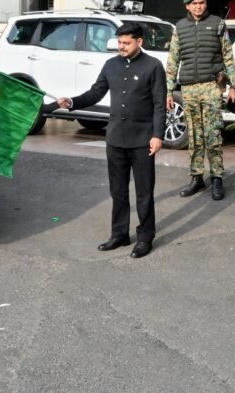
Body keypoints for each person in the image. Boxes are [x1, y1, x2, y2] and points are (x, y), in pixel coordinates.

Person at [52, 23, 166, 259]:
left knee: (144, 192)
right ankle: (119, 234)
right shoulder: (110, 65)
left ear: (139, 42)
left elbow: (158, 104)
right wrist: (71, 102)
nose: (121, 47)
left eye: (126, 43)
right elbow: (95, 93)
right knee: (118, 190)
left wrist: (157, 135)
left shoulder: (153, 66)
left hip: (142, 140)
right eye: (119, 43)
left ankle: (145, 237)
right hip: (115, 138)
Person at [165, 0, 235, 201]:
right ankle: (196, 177)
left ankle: (217, 178)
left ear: (206, 4)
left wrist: (232, 85)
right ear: (187, 6)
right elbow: (173, 60)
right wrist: (169, 91)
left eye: (202, 3)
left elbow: (228, 54)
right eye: (194, 3)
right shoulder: (180, 27)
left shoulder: (217, 23)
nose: (198, 6)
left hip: (211, 86)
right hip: (188, 88)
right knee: (194, 136)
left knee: (213, 133)